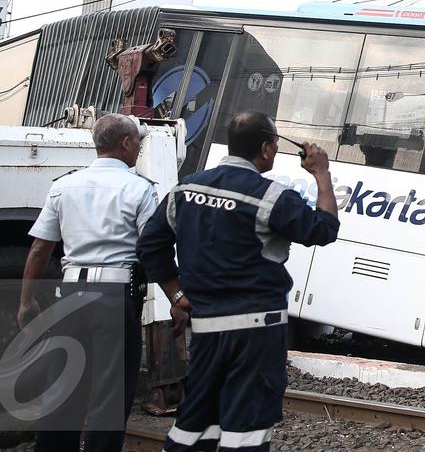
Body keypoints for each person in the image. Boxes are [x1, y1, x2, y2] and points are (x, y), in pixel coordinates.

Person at [138, 111, 340, 452]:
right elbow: (324, 229)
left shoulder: (185, 190)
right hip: (256, 334)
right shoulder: (271, 197)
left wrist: (178, 295)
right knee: (246, 431)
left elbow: (149, 246)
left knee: (196, 425)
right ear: (265, 149)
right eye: (275, 144)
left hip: (206, 331)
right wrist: (321, 173)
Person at [18, 113, 160, 452]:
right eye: (137, 142)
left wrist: (26, 301)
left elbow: (40, 249)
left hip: (68, 295)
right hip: (115, 296)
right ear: (125, 143)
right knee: (110, 391)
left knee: (63, 385)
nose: (139, 148)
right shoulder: (140, 189)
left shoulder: (63, 186)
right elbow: (152, 248)